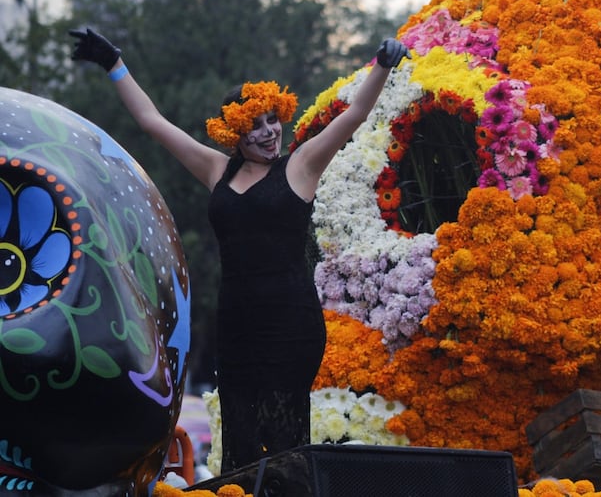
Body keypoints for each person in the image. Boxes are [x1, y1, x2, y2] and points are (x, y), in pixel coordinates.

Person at [69, 27, 410, 472]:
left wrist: (381, 65)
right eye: (256, 125)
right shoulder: (216, 170)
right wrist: (114, 64)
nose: (270, 132)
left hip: (291, 323)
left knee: (286, 438)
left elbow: (356, 113)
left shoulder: (302, 164)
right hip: (237, 320)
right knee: (241, 433)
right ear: (235, 133)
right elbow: (153, 123)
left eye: (273, 120)